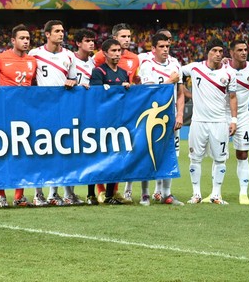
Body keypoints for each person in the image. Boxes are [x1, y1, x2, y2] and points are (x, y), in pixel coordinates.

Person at [177, 39, 238, 205]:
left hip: (220, 122)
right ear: (208, 52)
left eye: (220, 51)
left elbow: (233, 97)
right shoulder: (195, 68)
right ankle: (196, 194)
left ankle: (216, 194)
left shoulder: (229, 73)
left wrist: (233, 120)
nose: (218, 54)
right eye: (214, 51)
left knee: (220, 159)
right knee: (195, 158)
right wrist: (188, 94)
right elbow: (177, 73)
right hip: (198, 122)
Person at [29, 20, 81, 206]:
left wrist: (72, 82)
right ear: (47, 34)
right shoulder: (34, 54)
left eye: (62, 30)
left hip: (61, 110)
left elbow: (73, 79)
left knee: (59, 151)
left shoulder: (69, 56)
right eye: (57, 31)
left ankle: (53, 193)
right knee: (40, 151)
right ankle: (37, 194)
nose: (61, 34)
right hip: (41, 109)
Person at [135, 33, 182, 206]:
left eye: (167, 46)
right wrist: (170, 81)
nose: (165, 50)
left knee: (170, 155)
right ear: (153, 49)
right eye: (161, 46)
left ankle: (166, 194)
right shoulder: (147, 65)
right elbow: (150, 91)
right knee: (149, 154)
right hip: (153, 116)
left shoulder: (176, 63)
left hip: (171, 116)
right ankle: (145, 194)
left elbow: (181, 93)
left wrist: (179, 114)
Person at [0, 24, 35, 207]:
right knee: (1, 152)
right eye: (22, 38)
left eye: (28, 38)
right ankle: (1, 195)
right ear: (13, 40)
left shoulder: (33, 61)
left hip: (25, 113)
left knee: (22, 154)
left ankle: (19, 196)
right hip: (3, 112)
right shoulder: (0, 59)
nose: (26, 41)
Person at [90, 38, 131, 205]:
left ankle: (110, 194)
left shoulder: (123, 73)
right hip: (101, 122)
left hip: (118, 121)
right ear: (105, 53)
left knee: (116, 158)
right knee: (97, 158)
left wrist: (127, 88)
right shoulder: (98, 72)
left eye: (119, 50)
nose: (117, 54)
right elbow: (96, 96)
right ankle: (91, 194)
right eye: (113, 51)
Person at [224, 39, 249, 205]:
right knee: (219, 155)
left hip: (242, 118)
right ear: (232, 52)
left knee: (243, 154)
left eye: (245, 49)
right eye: (239, 50)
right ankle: (215, 193)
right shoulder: (223, 67)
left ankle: (243, 193)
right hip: (222, 115)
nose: (243, 52)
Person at [68, 29, 103, 205]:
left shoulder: (92, 64)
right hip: (70, 111)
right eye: (87, 40)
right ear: (78, 43)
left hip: (87, 113)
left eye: (93, 41)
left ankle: (78, 193)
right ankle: (64, 193)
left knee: (87, 153)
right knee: (68, 152)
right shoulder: (69, 59)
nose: (91, 44)